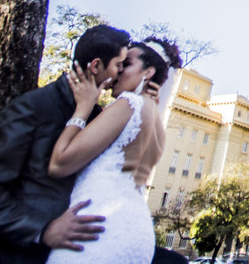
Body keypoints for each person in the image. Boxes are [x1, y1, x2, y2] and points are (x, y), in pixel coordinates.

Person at [0, 24, 131, 263]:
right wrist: (43, 230)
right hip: (21, 255)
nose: (121, 73)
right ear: (96, 66)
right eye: (119, 65)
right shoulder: (32, 107)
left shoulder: (99, 118)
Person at [46, 36, 181, 263]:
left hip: (100, 229)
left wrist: (83, 108)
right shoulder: (155, 121)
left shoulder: (128, 104)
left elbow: (59, 164)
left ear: (148, 73)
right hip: (137, 235)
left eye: (126, 65)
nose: (117, 71)